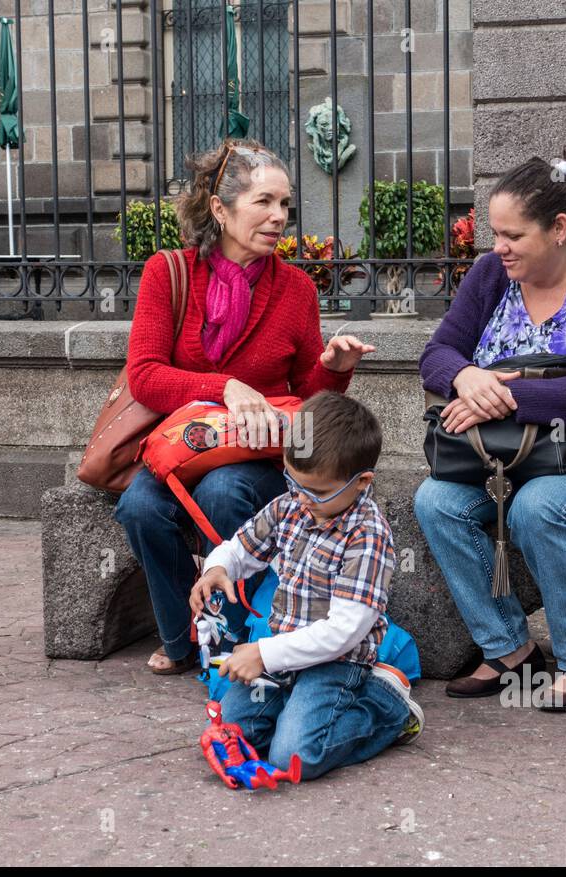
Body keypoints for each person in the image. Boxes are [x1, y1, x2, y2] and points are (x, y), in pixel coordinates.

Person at [414, 150, 566, 711]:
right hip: (508, 453)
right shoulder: (490, 275)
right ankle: (509, 651)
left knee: (536, 510)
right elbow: (437, 352)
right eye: (494, 233)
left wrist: (505, 398)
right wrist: (468, 374)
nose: (497, 246)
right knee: (435, 502)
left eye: (511, 234)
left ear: (558, 229)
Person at [116, 138, 376, 675]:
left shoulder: (297, 289)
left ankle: (236, 641)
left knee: (226, 492)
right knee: (140, 507)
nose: (279, 216)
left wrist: (334, 368)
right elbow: (144, 376)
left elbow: (307, 398)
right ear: (220, 208)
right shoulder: (169, 274)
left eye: (285, 204)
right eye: (264, 202)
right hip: (187, 446)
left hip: (257, 453)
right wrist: (224, 387)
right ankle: (180, 635)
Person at [190, 390, 423, 780]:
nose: (300, 497)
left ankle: (385, 708)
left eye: (316, 491)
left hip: (335, 662)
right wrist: (218, 567)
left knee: (294, 756)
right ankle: (296, 709)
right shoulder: (292, 504)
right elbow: (241, 547)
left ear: (362, 482)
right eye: (292, 482)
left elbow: (342, 632)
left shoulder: (367, 536)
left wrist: (264, 654)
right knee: (235, 731)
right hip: (282, 657)